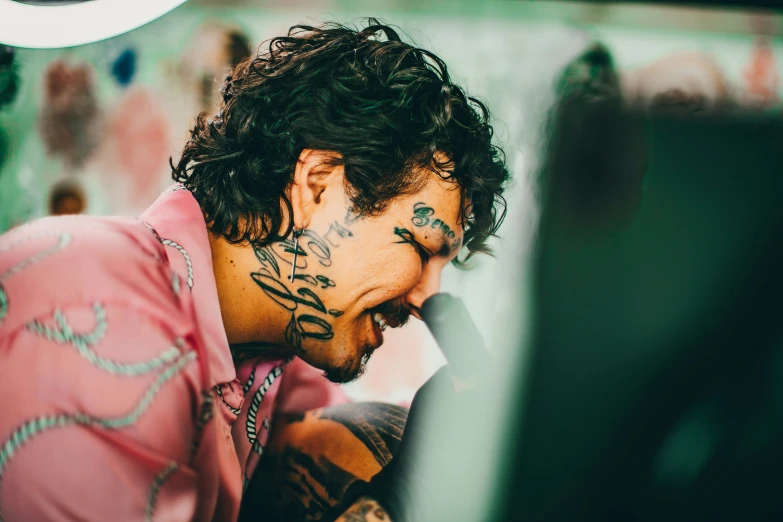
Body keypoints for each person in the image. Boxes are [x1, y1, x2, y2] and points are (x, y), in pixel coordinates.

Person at [0, 19, 509, 522]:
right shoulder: (98, 314)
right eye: (421, 248)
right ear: (318, 184)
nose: (426, 299)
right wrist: (405, 494)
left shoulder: (263, 357)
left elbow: (351, 437)